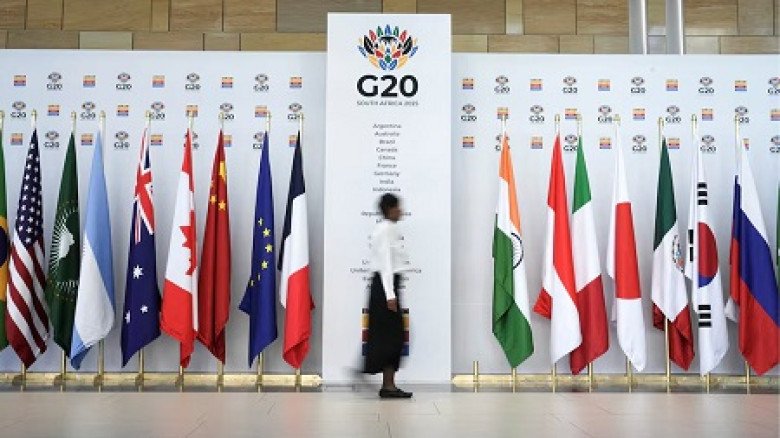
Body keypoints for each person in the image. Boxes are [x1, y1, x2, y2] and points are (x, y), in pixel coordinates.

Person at [363, 193, 412, 398]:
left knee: (390, 337)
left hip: (386, 287)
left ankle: (388, 385)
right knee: (390, 338)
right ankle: (388, 386)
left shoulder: (389, 228)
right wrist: (390, 295)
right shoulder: (385, 229)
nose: (400, 210)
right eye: (397, 207)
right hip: (385, 289)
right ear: (390, 209)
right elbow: (385, 264)